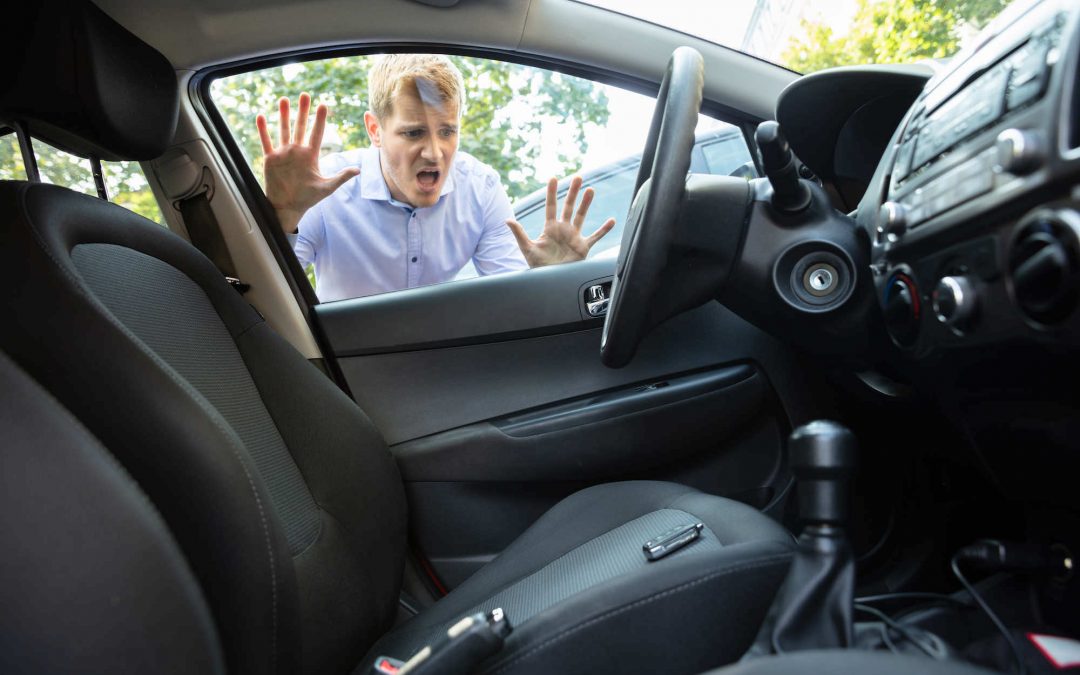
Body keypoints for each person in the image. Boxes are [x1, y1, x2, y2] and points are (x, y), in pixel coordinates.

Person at [255, 54, 615, 301]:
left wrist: (551, 281)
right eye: (414, 133)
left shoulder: (480, 188)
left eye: (447, 132)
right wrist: (284, 218)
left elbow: (513, 298)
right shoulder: (325, 189)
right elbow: (267, 297)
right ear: (375, 130)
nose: (434, 152)